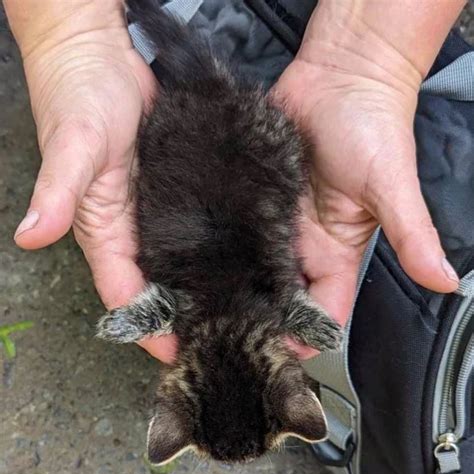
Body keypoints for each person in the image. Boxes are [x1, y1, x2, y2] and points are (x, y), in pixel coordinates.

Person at [4, 0, 465, 362]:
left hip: (213, 142)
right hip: (211, 142)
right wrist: (68, 32)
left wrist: (372, 59)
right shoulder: (254, 301)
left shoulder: (240, 302)